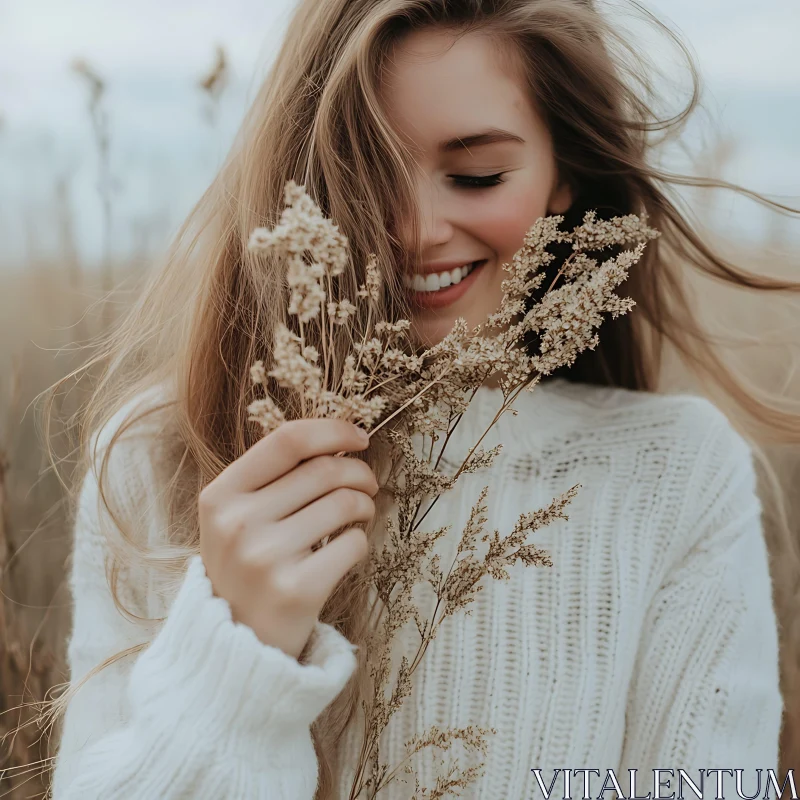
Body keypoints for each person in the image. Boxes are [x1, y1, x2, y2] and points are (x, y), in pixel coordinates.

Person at [42, 0, 799, 798]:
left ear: (562, 179)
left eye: (476, 175)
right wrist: (237, 660)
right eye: (367, 172)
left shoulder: (672, 473)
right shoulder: (160, 456)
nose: (412, 228)